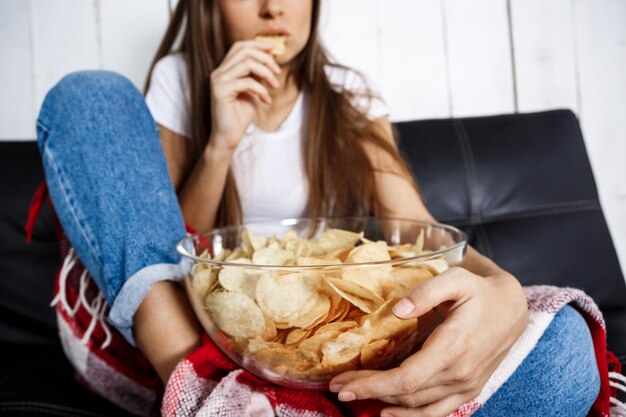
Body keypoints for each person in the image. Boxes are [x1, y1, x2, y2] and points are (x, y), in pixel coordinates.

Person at [35, 0, 602, 416]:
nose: (272, 7)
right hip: (197, 331)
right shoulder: (181, 80)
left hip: (326, 350)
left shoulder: (346, 92)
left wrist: (501, 288)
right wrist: (221, 145)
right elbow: (169, 244)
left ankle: (268, 408)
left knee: (566, 353)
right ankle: (201, 388)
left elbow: (425, 231)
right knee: (90, 96)